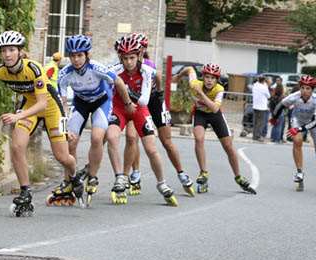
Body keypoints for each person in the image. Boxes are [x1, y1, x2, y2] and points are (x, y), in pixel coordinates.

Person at [0, 31, 83, 214]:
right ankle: (25, 192)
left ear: (20, 52)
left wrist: (16, 116)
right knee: (16, 146)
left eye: (12, 50)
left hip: (51, 107)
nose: (7, 54)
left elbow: (43, 103)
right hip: (30, 107)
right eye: (4, 50)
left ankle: (75, 177)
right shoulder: (0, 70)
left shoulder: (34, 69)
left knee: (62, 157)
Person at [54, 34, 134, 207]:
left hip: (101, 102)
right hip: (80, 103)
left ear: (86, 55)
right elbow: (63, 103)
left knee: (97, 137)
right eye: (72, 56)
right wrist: (65, 126)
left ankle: (93, 177)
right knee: (71, 142)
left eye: (80, 55)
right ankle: (70, 179)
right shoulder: (64, 74)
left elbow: (119, 82)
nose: (76, 60)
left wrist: (127, 103)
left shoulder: (97, 67)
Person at [118, 33, 194, 197]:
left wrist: (159, 93)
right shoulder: (127, 65)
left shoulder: (148, 64)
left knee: (166, 140)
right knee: (132, 137)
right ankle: (135, 173)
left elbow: (159, 77)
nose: (142, 50)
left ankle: (181, 173)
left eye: (144, 47)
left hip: (153, 100)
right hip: (136, 102)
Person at [107, 35, 178, 206]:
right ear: (120, 58)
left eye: (132, 57)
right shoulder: (114, 70)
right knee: (111, 137)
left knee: (151, 148)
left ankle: (162, 184)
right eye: (125, 58)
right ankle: (120, 178)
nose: (129, 62)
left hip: (139, 109)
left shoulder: (147, 70)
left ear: (139, 56)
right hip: (119, 108)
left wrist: (127, 91)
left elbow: (144, 100)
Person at [175, 64, 256, 195]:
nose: (209, 80)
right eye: (207, 77)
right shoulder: (195, 83)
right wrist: (179, 76)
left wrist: (200, 93)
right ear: (203, 77)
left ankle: (238, 176)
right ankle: (204, 173)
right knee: (199, 138)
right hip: (200, 114)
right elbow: (190, 69)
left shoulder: (219, 89)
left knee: (228, 146)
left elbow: (214, 108)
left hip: (215, 115)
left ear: (216, 80)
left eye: (213, 78)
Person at [270, 75, 316, 191]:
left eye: (308, 88)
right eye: (303, 88)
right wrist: (274, 118)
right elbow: (281, 105)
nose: (305, 91)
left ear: (312, 89)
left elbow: (314, 122)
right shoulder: (294, 96)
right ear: (300, 88)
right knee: (297, 140)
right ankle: (299, 172)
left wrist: (299, 129)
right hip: (297, 120)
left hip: (312, 122)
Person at [252, 76, 270, 142]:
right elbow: (268, 96)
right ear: (263, 81)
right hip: (261, 107)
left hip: (255, 105)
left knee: (255, 122)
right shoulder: (264, 87)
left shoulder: (255, 85)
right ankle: (258, 136)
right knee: (260, 123)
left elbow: (257, 83)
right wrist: (266, 85)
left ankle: (254, 135)